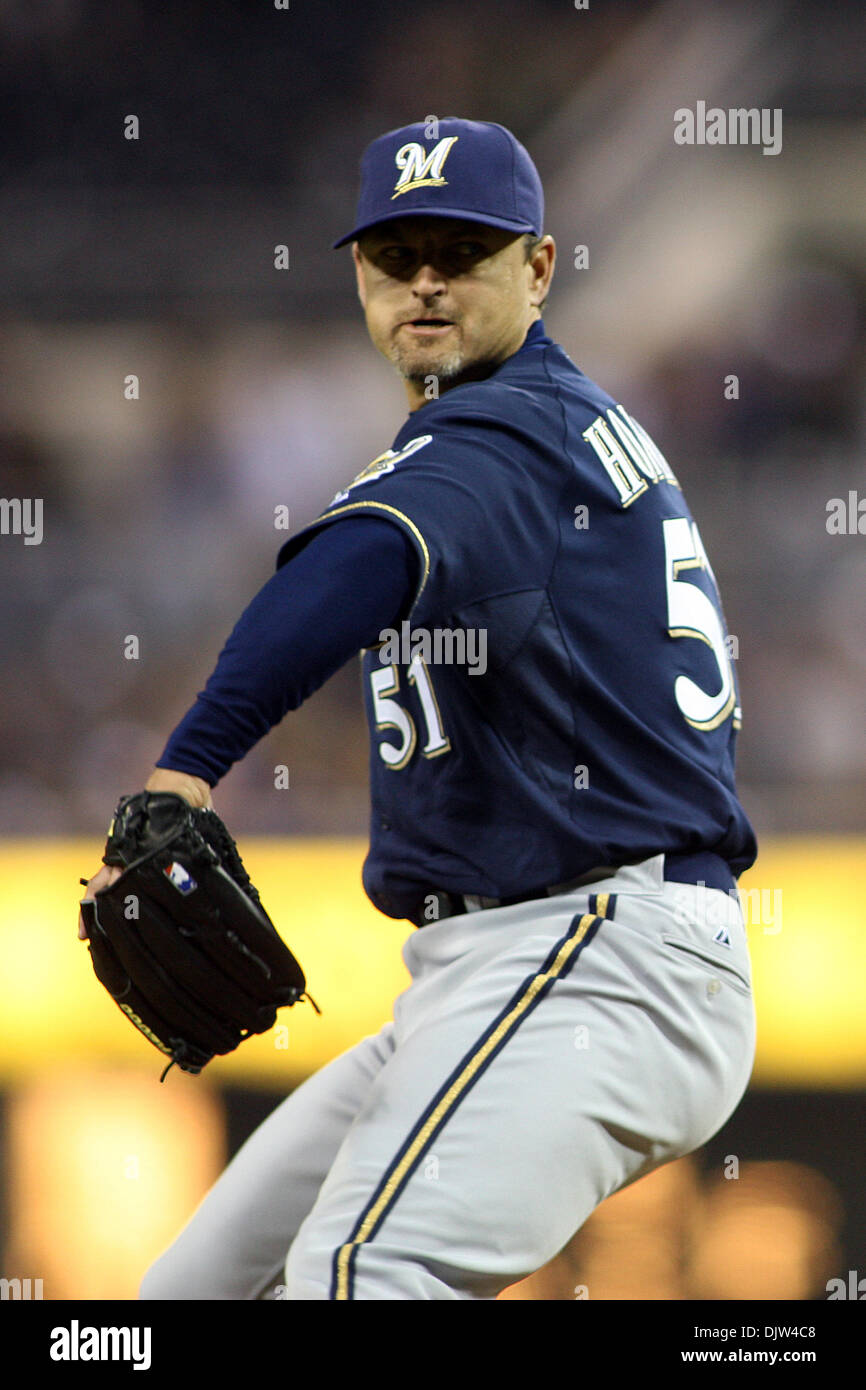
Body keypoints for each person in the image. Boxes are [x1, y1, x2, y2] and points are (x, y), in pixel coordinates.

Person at [79, 118, 758, 1301]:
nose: (427, 280)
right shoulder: (531, 429)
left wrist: (183, 769)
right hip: (502, 962)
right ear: (359, 275)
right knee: (185, 1298)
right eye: (397, 255)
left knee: (365, 1274)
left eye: (463, 247)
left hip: (598, 956)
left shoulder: (502, 431)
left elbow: (342, 578)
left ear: (537, 268)